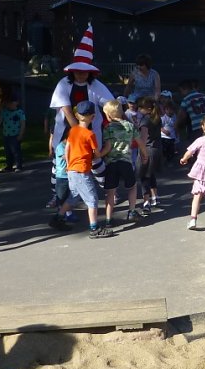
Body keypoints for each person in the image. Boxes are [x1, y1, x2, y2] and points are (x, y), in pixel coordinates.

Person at [49, 25, 115, 189]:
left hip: (91, 132)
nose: (81, 74)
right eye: (78, 71)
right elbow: (65, 109)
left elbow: (109, 104)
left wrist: (114, 117)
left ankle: (108, 190)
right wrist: (78, 131)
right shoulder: (63, 84)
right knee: (60, 162)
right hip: (66, 130)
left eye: (84, 72)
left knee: (94, 160)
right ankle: (57, 195)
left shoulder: (96, 85)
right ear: (72, 71)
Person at [49, 100, 114, 238]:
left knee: (73, 197)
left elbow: (67, 148)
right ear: (93, 117)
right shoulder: (90, 135)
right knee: (92, 200)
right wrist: (107, 149)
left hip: (72, 169)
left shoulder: (73, 131)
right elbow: (97, 154)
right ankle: (94, 228)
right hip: (81, 171)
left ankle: (58, 218)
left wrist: (68, 164)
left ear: (77, 115)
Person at [99, 99, 148, 225]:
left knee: (110, 192)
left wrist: (99, 155)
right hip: (126, 162)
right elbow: (140, 142)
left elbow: (108, 146)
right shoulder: (130, 126)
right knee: (132, 186)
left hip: (111, 163)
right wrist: (145, 154)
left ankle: (108, 219)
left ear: (108, 115)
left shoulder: (108, 128)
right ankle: (131, 211)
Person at [137, 96, 163, 209]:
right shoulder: (157, 118)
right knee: (150, 174)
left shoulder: (145, 121)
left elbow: (143, 139)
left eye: (140, 107)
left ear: (147, 109)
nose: (139, 109)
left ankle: (146, 202)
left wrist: (143, 153)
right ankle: (155, 197)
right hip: (157, 149)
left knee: (143, 176)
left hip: (147, 150)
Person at [177, 79, 205, 147]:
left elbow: (182, 116)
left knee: (196, 147)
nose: (181, 94)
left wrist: (177, 126)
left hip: (196, 128)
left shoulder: (186, 99)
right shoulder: (203, 96)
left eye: (181, 91)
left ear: (185, 89)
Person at [0, 96, 26, 173]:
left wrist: (21, 134)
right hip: (6, 134)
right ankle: (9, 166)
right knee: (7, 151)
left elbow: (23, 124)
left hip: (15, 135)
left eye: (11, 102)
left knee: (16, 151)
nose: (9, 104)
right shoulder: (4, 112)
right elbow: (0, 120)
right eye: (8, 102)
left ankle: (18, 165)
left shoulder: (20, 112)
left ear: (16, 103)